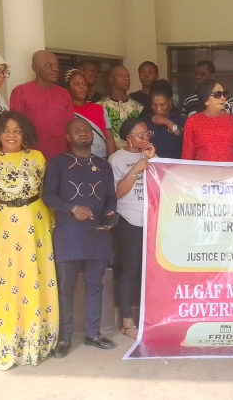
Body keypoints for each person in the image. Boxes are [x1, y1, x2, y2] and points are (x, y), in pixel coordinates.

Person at [0, 111, 58, 371]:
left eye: (17, 131)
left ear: (24, 134)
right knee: (5, 281)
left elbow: (46, 192)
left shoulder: (37, 157)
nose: (11, 135)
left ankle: (34, 343)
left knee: (35, 278)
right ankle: (4, 343)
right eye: (6, 130)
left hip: (35, 226)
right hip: (2, 225)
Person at [43, 118, 117, 358]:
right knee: (66, 288)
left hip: (98, 235)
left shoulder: (103, 165)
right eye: (77, 130)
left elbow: (110, 196)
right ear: (68, 137)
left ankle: (93, 333)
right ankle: (64, 338)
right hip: (69, 236)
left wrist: (109, 214)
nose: (83, 133)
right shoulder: (58, 163)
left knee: (95, 285)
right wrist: (73, 208)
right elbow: (48, 195)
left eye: (86, 130)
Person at [108, 118, 156, 339]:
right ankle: (127, 322)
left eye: (147, 134)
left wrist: (152, 159)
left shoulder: (152, 156)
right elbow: (116, 193)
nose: (145, 138)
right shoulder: (116, 159)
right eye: (140, 135)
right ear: (128, 138)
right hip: (129, 220)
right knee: (130, 269)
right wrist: (136, 169)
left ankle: (153, 318)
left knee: (153, 271)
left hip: (153, 220)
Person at [9, 50, 74, 160]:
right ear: (35, 68)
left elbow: (71, 129)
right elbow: (16, 129)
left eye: (56, 65)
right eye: (49, 65)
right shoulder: (20, 92)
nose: (55, 69)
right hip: (30, 159)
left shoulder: (64, 94)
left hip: (62, 158)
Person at [182, 80, 233, 162]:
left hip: (230, 169)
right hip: (204, 170)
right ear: (206, 100)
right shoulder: (193, 121)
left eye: (224, 94)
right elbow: (187, 156)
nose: (223, 98)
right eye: (217, 94)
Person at [65, 68, 115, 158]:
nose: (82, 87)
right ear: (67, 88)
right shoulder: (65, 110)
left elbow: (109, 137)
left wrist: (111, 160)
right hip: (75, 160)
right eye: (76, 83)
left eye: (84, 83)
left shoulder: (99, 109)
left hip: (101, 159)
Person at [98, 65, 144, 151]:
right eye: (120, 75)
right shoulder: (100, 106)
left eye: (128, 76)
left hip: (133, 155)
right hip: (108, 155)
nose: (126, 78)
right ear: (111, 80)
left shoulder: (138, 107)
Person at [145, 79, 184, 159]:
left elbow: (183, 139)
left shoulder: (181, 120)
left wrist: (166, 122)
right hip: (151, 165)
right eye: (155, 105)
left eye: (162, 105)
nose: (158, 109)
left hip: (175, 166)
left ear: (170, 102)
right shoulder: (145, 122)